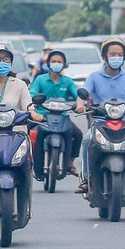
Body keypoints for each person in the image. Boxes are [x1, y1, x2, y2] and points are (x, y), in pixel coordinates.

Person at [77, 36, 125, 193]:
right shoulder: (94, 77)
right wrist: (80, 105)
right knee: (86, 140)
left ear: (124, 57)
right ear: (105, 56)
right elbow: (83, 95)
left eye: (119, 54)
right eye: (112, 54)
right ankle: (87, 178)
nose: (116, 57)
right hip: (100, 122)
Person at [29, 47, 82, 179]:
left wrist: (80, 105)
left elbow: (77, 95)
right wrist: (34, 100)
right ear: (48, 63)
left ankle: (70, 163)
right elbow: (32, 93)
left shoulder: (68, 81)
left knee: (78, 134)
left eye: (59, 61)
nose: (56, 63)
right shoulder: (40, 79)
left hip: (62, 115)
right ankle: (27, 160)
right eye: (53, 61)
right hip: (42, 116)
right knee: (24, 133)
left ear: (63, 64)